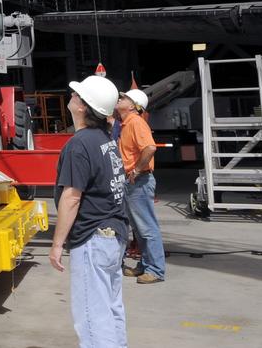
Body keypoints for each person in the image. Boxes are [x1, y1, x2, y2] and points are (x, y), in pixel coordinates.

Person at [50, 74, 128, 348]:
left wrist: (57, 244)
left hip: (93, 239)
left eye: (76, 94)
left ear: (83, 106)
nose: (71, 96)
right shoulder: (105, 140)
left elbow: (71, 198)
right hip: (114, 235)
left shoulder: (79, 144)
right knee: (111, 309)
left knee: (92, 318)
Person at [117, 87, 165, 284]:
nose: (119, 99)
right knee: (139, 228)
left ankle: (156, 270)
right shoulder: (126, 124)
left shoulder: (136, 122)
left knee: (146, 227)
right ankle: (146, 266)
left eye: (124, 98)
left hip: (139, 181)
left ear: (133, 106)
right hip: (133, 182)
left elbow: (150, 148)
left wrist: (136, 170)